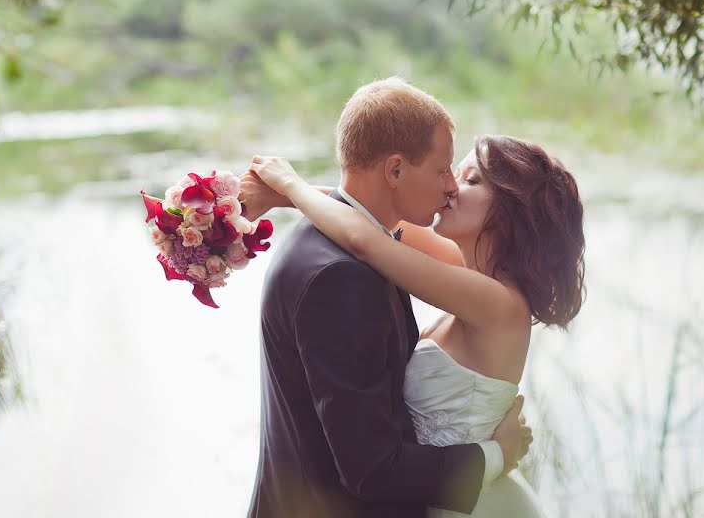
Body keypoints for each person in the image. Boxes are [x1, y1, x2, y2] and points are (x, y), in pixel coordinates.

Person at [241, 77, 581, 518]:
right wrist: (291, 196)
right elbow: (366, 215)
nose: (451, 188)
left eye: (469, 180)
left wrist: (291, 186)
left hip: (466, 501)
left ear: (508, 212)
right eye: (448, 172)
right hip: (440, 493)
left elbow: (368, 241)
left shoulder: (500, 303)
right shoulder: (463, 269)